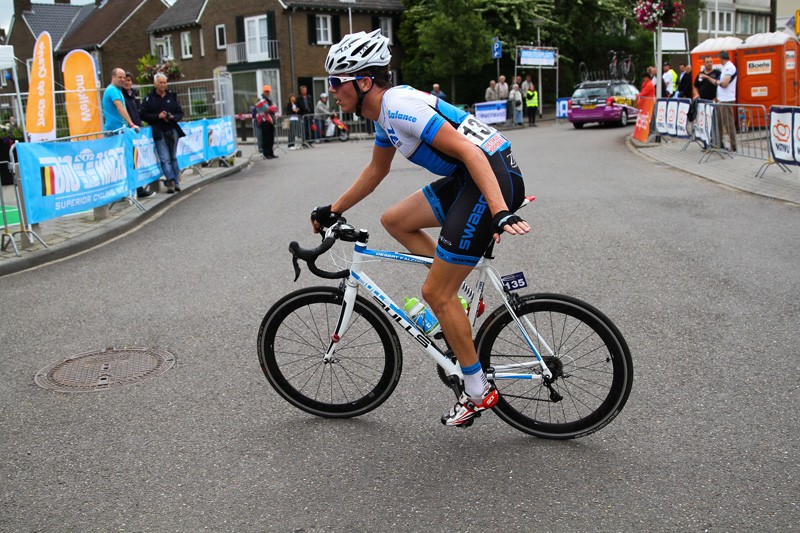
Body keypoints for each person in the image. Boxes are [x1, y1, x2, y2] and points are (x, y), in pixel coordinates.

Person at [314, 30, 530, 427]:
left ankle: (478, 390)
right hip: (471, 178)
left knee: (434, 293)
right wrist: (333, 209)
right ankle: (458, 297)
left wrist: (499, 211)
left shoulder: (399, 107)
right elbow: (377, 170)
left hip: (488, 176)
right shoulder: (383, 114)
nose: (332, 92)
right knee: (395, 220)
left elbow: (470, 150)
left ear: (364, 82)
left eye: (336, 83)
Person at [140, 73, 185, 193]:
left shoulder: (172, 96)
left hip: (172, 130)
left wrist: (172, 117)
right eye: (160, 82)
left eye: (165, 82)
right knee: (165, 158)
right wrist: (157, 116)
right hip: (159, 132)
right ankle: (169, 181)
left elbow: (180, 113)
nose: (163, 85)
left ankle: (176, 181)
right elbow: (143, 115)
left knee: (173, 157)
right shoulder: (149, 99)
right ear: (155, 83)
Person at [122, 72, 155, 199]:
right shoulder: (122, 96)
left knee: (136, 160)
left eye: (129, 80)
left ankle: (138, 187)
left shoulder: (133, 96)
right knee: (131, 161)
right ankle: (137, 189)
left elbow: (137, 112)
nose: (126, 82)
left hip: (136, 130)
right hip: (129, 132)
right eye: (124, 80)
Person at [693, 56, 720, 148]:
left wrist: (716, 99)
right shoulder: (700, 74)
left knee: (714, 124)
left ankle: (716, 143)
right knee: (704, 124)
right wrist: (696, 94)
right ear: (704, 63)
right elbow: (695, 86)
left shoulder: (717, 73)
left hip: (713, 102)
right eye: (707, 62)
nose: (709, 63)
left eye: (711, 62)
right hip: (702, 103)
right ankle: (706, 143)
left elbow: (720, 86)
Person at [715, 50, 737, 152]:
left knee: (728, 123)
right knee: (719, 122)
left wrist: (718, 82)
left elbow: (725, 84)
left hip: (727, 100)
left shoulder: (729, 67)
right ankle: (719, 143)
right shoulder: (726, 68)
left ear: (721, 58)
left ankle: (733, 146)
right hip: (722, 99)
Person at [254, 85, 278, 159]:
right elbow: (266, 109)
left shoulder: (270, 100)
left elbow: (275, 108)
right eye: (266, 91)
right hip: (264, 120)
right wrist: (270, 108)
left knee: (271, 137)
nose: (267, 92)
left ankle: (271, 152)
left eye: (268, 91)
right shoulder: (260, 99)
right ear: (263, 91)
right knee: (266, 138)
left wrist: (270, 108)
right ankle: (266, 153)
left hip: (271, 120)